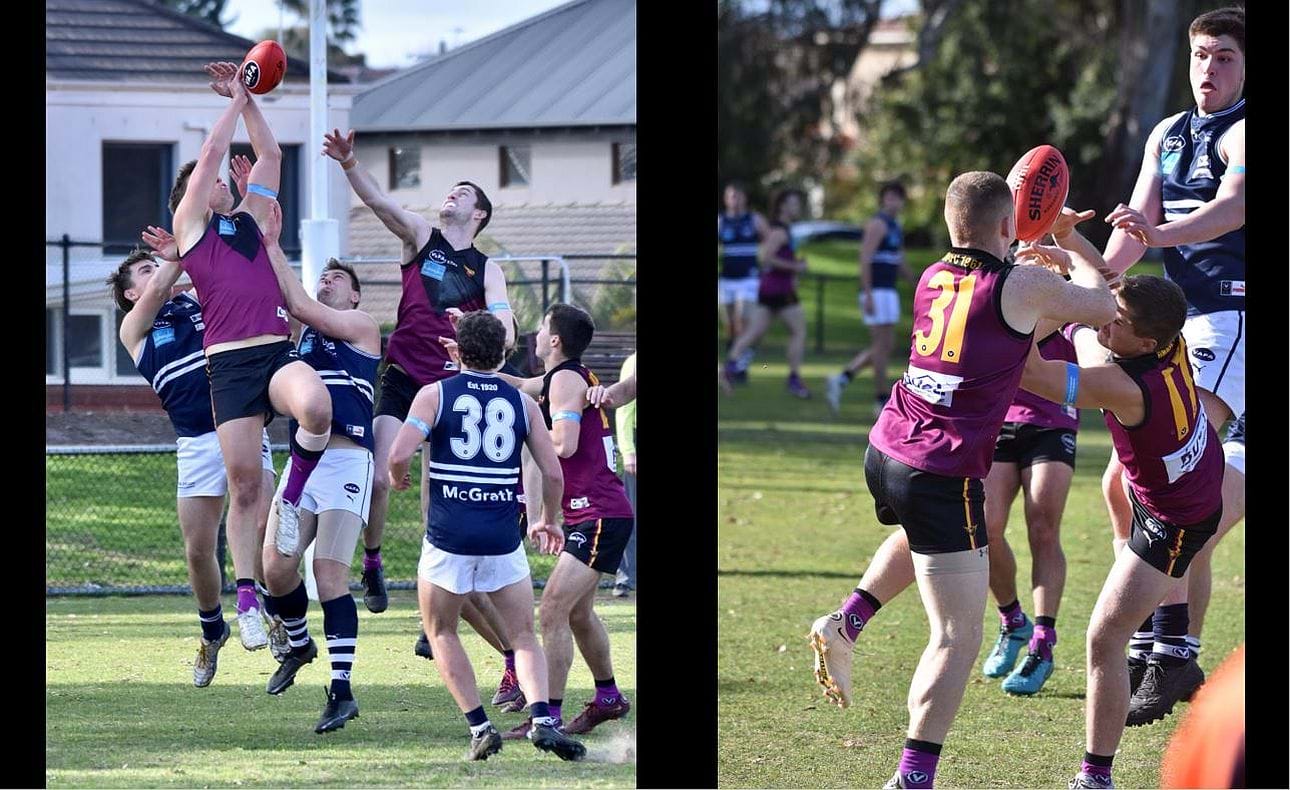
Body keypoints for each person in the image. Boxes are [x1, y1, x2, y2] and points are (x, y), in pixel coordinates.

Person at [807, 172, 1116, 789]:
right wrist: (1064, 243)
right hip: (944, 468)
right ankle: (913, 778)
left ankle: (848, 620)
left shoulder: (931, 276)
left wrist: (1035, 266)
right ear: (1009, 226)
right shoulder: (1022, 283)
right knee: (956, 635)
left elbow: (1012, 336)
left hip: (888, 446)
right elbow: (1105, 306)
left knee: (924, 539)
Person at [1015, 273, 1223, 790]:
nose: (1107, 318)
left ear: (1145, 342)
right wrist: (1065, 247)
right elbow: (1103, 293)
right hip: (1190, 488)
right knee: (1116, 491)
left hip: (1175, 520)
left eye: (1119, 320)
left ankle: (1095, 778)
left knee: (1104, 636)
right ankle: (1170, 641)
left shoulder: (1122, 385)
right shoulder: (1167, 342)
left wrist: (1022, 296)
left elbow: (1029, 372)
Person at [1095, 6, 1245, 709]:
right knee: (1156, 499)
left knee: (1162, 487)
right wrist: (1073, 261)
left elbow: (1234, 206)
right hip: (1175, 334)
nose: (1208, 70)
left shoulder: (1247, 129)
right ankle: (1171, 648)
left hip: (1228, 320)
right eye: (1201, 56)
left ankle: (1166, 648)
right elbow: (1130, 239)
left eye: (1224, 58)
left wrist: (1158, 233)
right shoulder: (1167, 131)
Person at [169, 61, 333, 648]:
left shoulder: (250, 221)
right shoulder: (191, 229)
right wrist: (233, 104)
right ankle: (244, 599)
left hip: (273, 352)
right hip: (229, 365)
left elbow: (272, 158)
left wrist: (251, 98)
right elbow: (214, 152)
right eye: (206, 180)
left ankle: (290, 499)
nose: (218, 179)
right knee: (241, 487)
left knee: (315, 407)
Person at [320, 128, 515, 620]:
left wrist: (484, 330)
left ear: (479, 214)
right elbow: (379, 202)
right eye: (452, 190)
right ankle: (373, 560)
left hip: (450, 388)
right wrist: (348, 164)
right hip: (406, 376)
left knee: (435, 508)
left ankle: (435, 615)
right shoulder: (422, 237)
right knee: (382, 479)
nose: (453, 193)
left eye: (464, 193)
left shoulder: (486, 268)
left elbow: (505, 322)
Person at [388, 311, 584, 762]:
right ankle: (542, 720)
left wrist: (399, 475)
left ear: (457, 349)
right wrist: (548, 518)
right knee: (523, 635)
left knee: (441, 632)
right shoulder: (523, 404)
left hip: (448, 536)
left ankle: (480, 727)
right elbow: (552, 472)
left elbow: (399, 452)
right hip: (501, 536)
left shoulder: (434, 394)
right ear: (504, 353)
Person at [107, 245, 276, 681]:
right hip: (196, 442)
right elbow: (165, 281)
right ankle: (212, 629)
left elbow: (226, 281)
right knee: (199, 550)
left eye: (156, 264)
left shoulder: (199, 299)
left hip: (241, 424)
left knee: (262, 527)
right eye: (145, 270)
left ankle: (273, 613)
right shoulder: (135, 327)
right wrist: (181, 248)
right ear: (130, 294)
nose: (157, 271)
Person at [248, 200, 381, 734]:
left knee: (329, 576)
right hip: (306, 457)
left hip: (347, 458)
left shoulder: (361, 326)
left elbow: (300, 304)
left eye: (337, 278)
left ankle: (342, 691)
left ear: (354, 295)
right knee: (275, 567)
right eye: (322, 275)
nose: (327, 281)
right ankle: (300, 646)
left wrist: (273, 243)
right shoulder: (299, 340)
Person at [489, 304, 636, 738]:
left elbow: (564, 444)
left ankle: (546, 718)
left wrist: (528, 431)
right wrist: (470, 361)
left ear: (555, 340)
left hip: (599, 515)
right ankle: (608, 698)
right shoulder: (560, 378)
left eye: (541, 328)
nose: (535, 333)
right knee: (577, 615)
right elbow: (518, 383)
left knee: (551, 609)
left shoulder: (567, 380)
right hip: (594, 514)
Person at [977, 327, 1080, 696]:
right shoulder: (1005, 274)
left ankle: (1042, 641)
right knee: (983, 527)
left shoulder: (1071, 279)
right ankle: (1012, 619)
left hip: (1053, 416)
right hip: (1001, 412)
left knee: (1043, 527)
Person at [827, 182, 914, 416]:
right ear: (883, 200)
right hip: (876, 290)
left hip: (888, 290)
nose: (893, 202)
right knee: (881, 346)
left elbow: (899, 260)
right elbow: (864, 258)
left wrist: (917, 283)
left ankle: (843, 378)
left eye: (897, 197)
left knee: (886, 346)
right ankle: (880, 399)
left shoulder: (895, 226)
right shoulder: (878, 224)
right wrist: (866, 293)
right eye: (889, 197)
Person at [721, 189, 812, 398]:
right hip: (778, 289)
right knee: (798, 331)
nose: (797, 208)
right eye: (793, 203)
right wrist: (795, 267)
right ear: (783, 206)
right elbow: (766, 258)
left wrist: (794, 265)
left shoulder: (784, 229)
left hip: (772, 288)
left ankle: (729, 368)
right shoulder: (780, 231)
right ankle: (794, 379)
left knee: (754, 332)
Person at [718, 182, 768, 377]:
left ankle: (739, 366)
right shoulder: (721, 221)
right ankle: (736, 361)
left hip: (748, 279)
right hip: (727, 279)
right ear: (726, 199)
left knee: (743, 319)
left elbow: (770, 241)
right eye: (731, 196)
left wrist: (765, 262)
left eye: (738, 196)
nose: (735, 200)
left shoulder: (754, 220)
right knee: (730, 325)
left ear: (744, 198)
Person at [612, 352, 637, 597]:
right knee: (633, 512)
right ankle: (626, 578)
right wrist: (629, 451)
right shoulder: (634, 363)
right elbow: (624, 411)